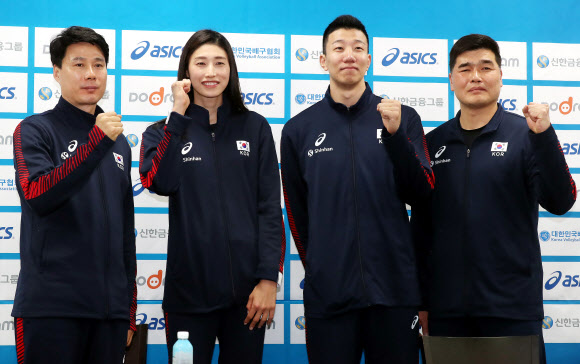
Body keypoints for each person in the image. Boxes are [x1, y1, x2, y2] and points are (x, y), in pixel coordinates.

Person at [414, 34, 577, 364]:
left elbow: (561, 201)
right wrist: (422, 301)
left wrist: (544, 136)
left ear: (501, 76)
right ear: (451, 80)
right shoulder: (432, 143)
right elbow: (420, 231)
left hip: (512, 310)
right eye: (465, 68)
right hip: (446, 312)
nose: (475, 76)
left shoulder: (527, 135)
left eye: (485, 67)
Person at [281, 15, 434, 364]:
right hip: (329, 296)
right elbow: (297, 212)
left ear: (369, 58)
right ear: (323, 60)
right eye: (339, 48)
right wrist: (321, 267)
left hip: (395, 293)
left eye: (358, 48)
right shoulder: (297, 129)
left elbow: (422, 193)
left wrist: (395, 138)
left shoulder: (403, 118)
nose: (348, 55)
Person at [139, 29, 285, 364]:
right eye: (201, 63)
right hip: (187, 297)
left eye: (219, 63)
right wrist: (177, 116)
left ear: (230, 70)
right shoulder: (161, 131)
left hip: (249, 297)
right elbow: (157, 181)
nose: (210, 72)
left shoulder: (255, 127)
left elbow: (268, 209)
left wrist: (267, 280)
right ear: (186, 71)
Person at [11, 26, 137, 364]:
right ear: (56, 71)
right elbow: (37, 195)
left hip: (109, 313)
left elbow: (126, 230)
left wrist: (128, 307)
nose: (91, 74)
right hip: (51, 308)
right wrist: (96, 143)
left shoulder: (119, 141)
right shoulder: (35, 129)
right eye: (78, 65)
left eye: (98, 65)